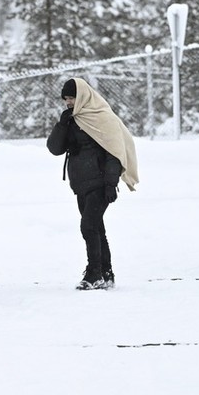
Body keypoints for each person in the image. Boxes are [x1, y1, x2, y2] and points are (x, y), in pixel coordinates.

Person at [47, 78, 139, 290]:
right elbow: (55, 148)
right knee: (96, 228)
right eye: (66, 99)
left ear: (83, 96)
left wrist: (110, 183)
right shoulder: (72, 119)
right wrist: (62, 124)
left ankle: (94, 273)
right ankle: (106, 274)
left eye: (72, 97)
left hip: (100, 183)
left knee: (88, 226)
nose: (68, 102)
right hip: (81, 184)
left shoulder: (103, 117)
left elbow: (114, 152)